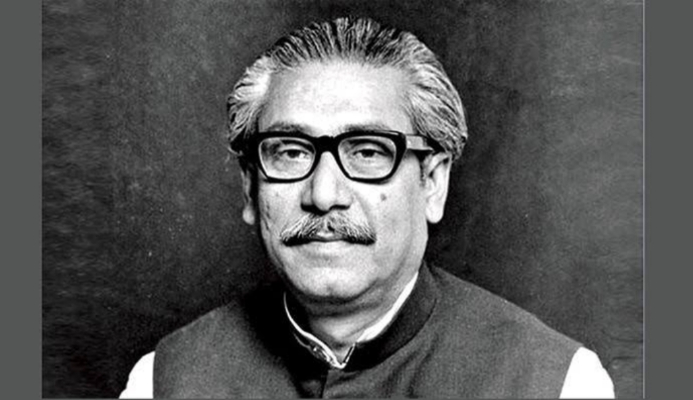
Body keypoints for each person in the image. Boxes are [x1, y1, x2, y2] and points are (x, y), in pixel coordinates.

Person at [120, 17, 614, 398]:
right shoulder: (164, 381)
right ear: (251, 187)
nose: (323, 194)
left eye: (368, 152)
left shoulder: (556, 382)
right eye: (291, 152)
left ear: (433, 183)